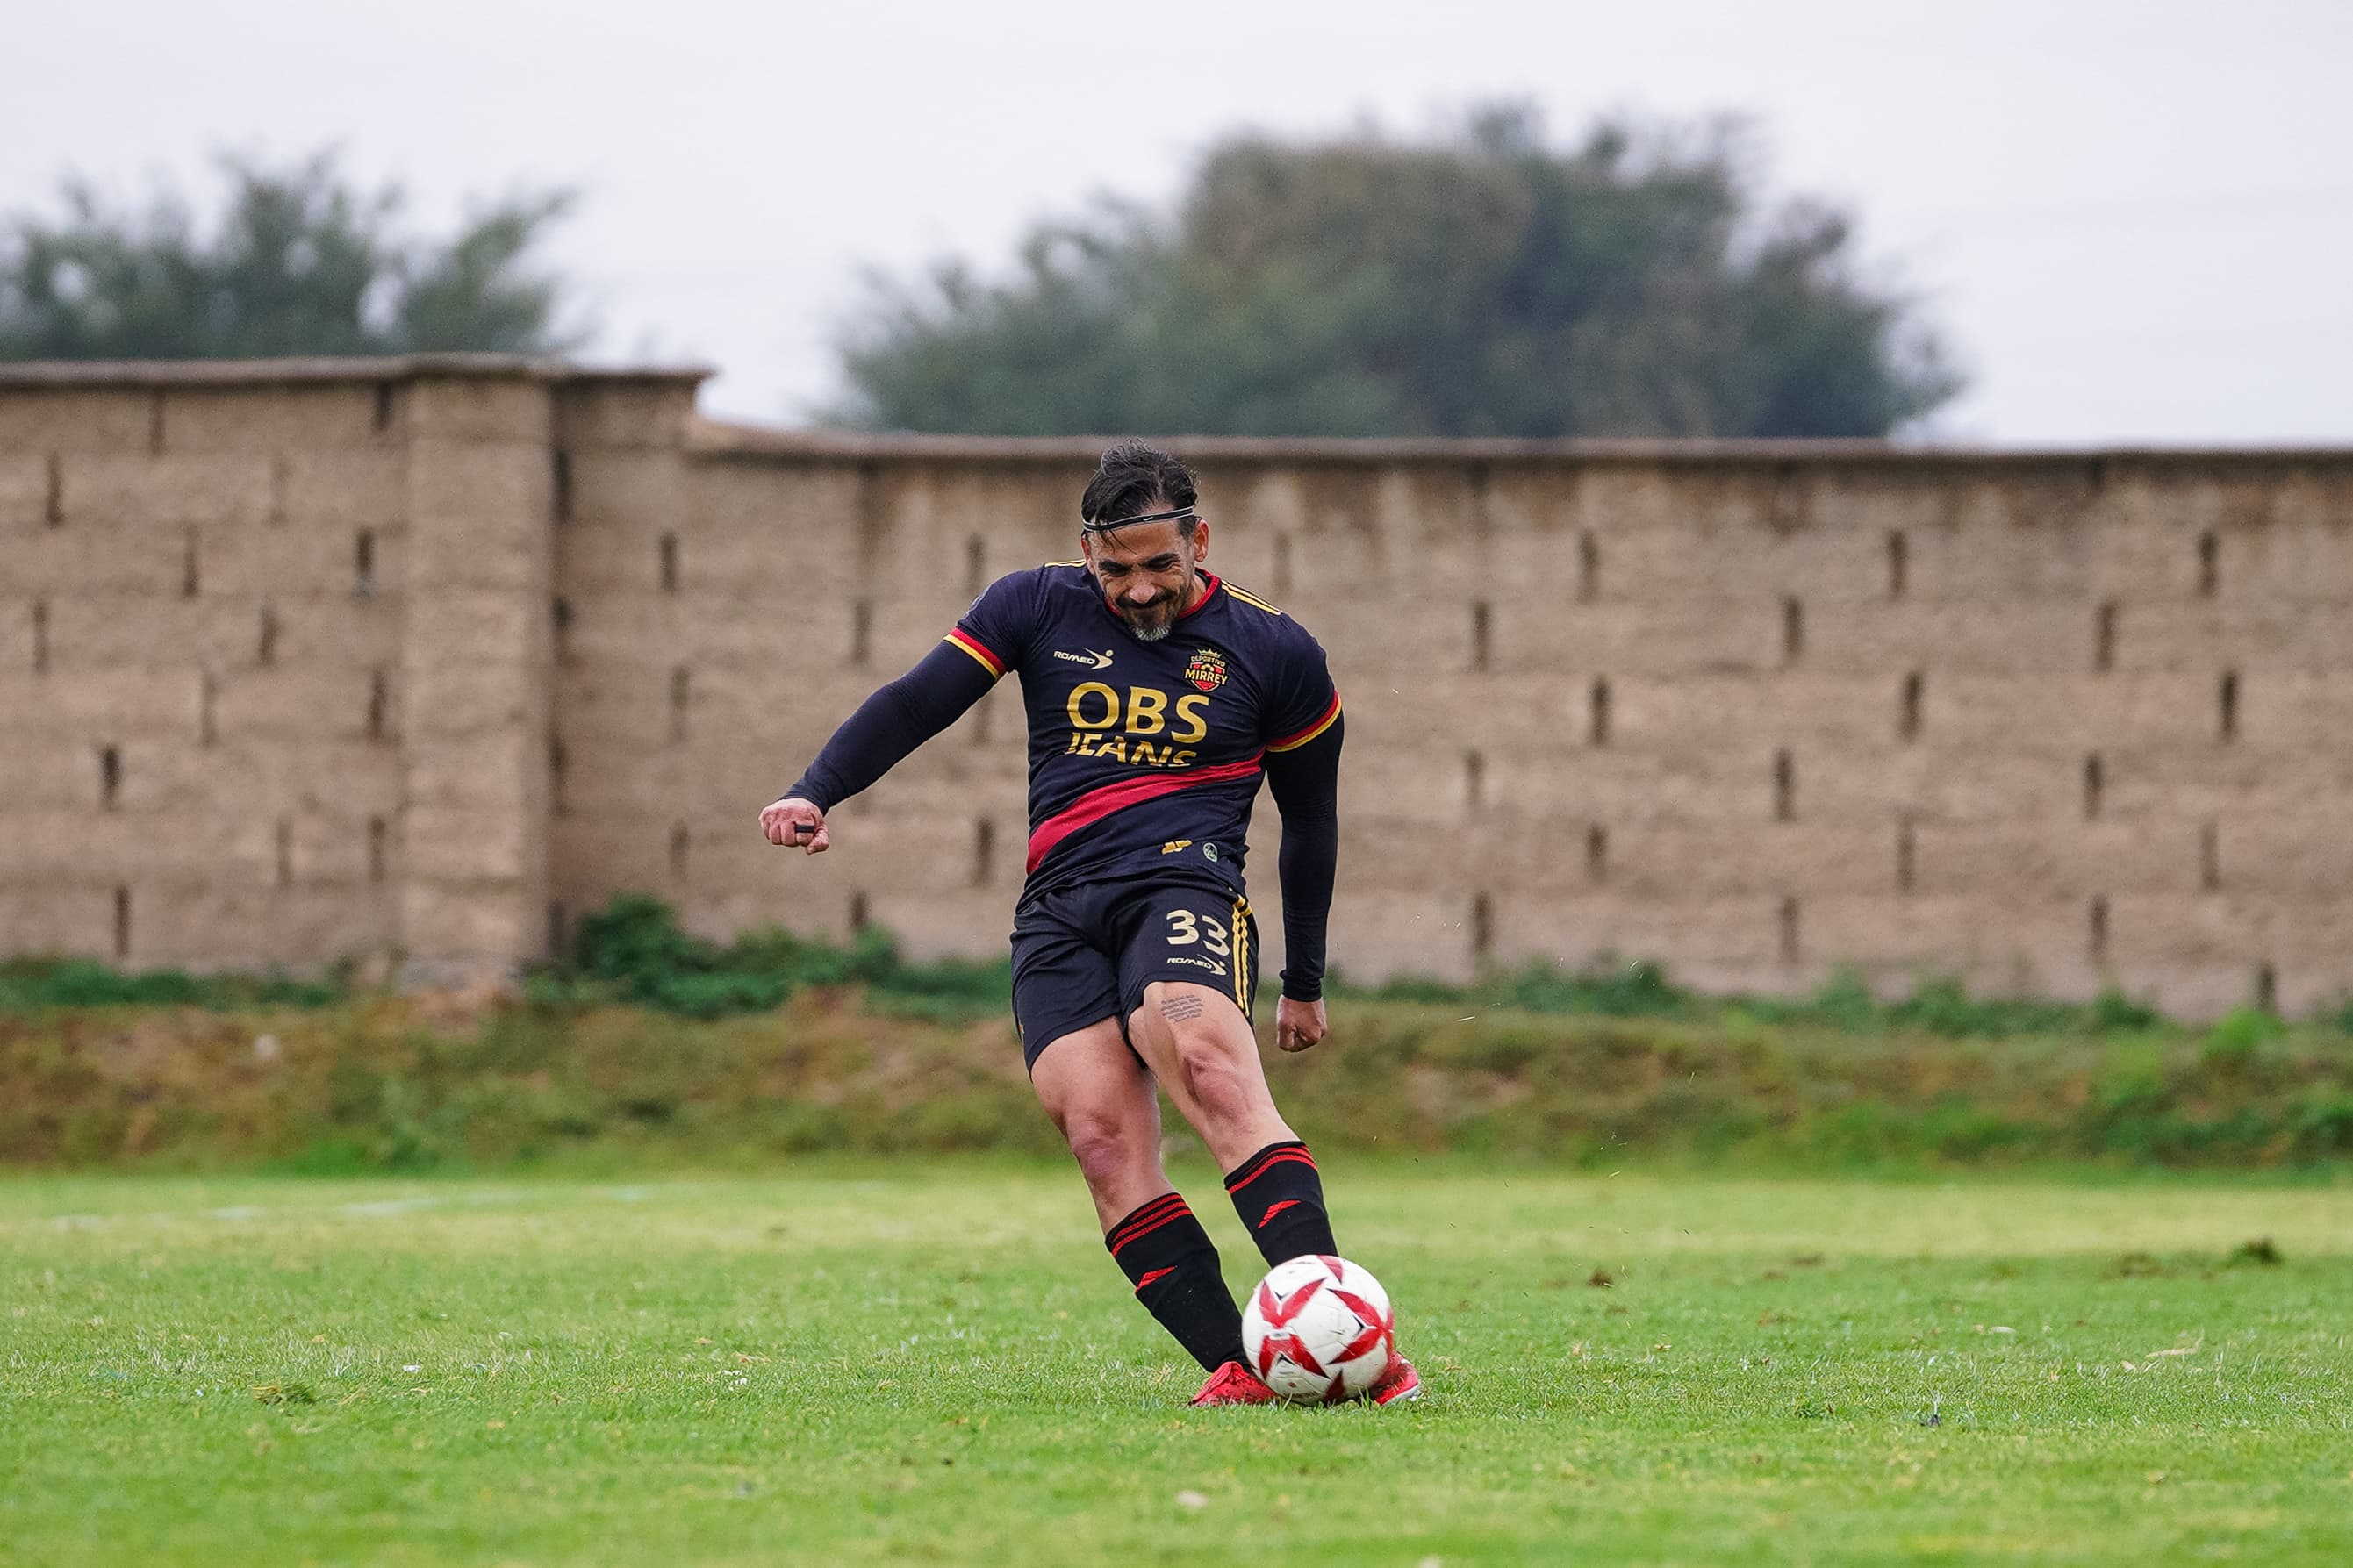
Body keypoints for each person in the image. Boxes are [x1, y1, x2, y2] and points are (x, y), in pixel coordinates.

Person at [760, 440, 1417, 1407]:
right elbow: (915, 703)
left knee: (1202, 1056)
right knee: (1100, 1137)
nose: (1139, 588)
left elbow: (1309, 821)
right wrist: (816, 790)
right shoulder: (1032, 604)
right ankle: (1239, 1370)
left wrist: (1305, 978)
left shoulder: (1276, 649)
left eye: (1160, 563)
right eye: (1116, 569)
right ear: (1085, 553)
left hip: (1182, 887)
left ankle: (1348, 1344)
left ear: (1199, 539)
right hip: (1058, 912)